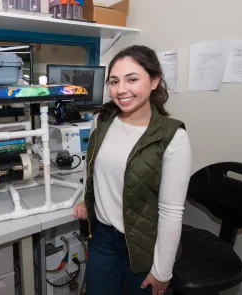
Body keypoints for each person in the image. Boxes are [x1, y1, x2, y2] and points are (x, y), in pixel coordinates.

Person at [73, 45, 192, 295]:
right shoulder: (103, 122)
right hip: (103, 237)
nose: (121, 89)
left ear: (154, 81)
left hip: (142, 244)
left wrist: (162, 270)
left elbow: (171, 211)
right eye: (114, 81)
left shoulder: (172, 136)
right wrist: (87, 200)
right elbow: (95, 171)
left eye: (132, 79)